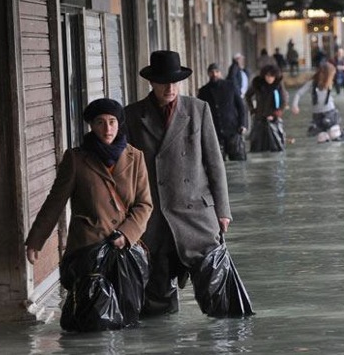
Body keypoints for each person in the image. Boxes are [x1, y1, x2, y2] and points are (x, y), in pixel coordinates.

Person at [25, 98, 153, 325]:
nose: (107, 129)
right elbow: (55, 201)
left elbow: (144, 204)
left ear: (119, 124)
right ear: (91, 126)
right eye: (100, 122)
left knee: (127, 318)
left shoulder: (136, 157)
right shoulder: (76, 159)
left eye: (112, 122)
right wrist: (37, 239)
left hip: (125, 252)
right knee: (92, 321)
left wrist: (127, 234)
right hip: (88, 252)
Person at [123, 50, 233, 316]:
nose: (169, 87)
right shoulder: (132, 115)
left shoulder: (198, 109)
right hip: (154, 216)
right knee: (157, 293)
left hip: (197, 211)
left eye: (174, 82)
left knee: (216, 288)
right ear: (151, 82)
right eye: (163, 82)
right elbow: (124, 170)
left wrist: (223, 210)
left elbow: (214, 163)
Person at [197, 63, 247, 160]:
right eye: (212, 72)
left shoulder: (230, 86)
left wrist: (243, 124)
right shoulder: (204, 91)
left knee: (238, 160)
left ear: (220, 73)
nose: (214, 74)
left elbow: (241, 107)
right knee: (217, 163)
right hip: (214, 132)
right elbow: (200, 112)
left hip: (233, 129)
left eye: (217, 72)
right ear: (208, 74)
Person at [291, 62, 341, 142]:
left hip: (330, 113)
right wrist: (295, 105)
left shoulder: (331, 82)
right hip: (317, 116)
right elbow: (298, 93)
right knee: (322, 139)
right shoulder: (312, 83)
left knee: (335, 136)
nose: (333, 76)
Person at [245, 64, 288, 152]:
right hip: (259, 118)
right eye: (268, 76)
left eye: (272, 76)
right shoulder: (258, 84)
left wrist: (275, 114)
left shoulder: (278, 86)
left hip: (273, 120)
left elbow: (283, 101)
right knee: (257, 146)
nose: (270, 78)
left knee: (276, 146)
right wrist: (252, 109)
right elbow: (248, 96)